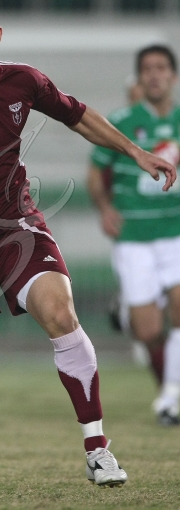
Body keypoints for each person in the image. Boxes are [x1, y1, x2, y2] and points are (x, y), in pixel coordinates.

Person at [0, 0, 176, 488]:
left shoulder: (24, 81)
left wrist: (135, 152)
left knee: (61, 314)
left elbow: (77, 116)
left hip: (16, 227)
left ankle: (98, 448)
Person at [88, 45, 180, 426]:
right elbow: (96, 171)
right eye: (148, 69)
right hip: (134, 236)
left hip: (175, 232)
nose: (155, 75)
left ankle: (171, 397)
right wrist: (104, 207)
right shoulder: (121, 121)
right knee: (149, 330)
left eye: (162, 67)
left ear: (173, 75)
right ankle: (129, 317)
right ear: (139, 78)